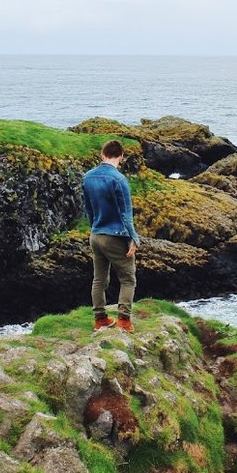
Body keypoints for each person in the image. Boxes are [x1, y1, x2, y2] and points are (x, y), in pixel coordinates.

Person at [82, 139, 140, 332]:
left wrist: (94, 229)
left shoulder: (88, 177)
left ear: (102, 154)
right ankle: (124, 320)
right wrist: (133, 239)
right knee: (128, 279)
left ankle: (100, 320)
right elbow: (126, 213)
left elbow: (89, 209)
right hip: (115, 236)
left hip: (96, 234)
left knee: (99, 279)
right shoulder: (119, 179)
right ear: (121, 157)